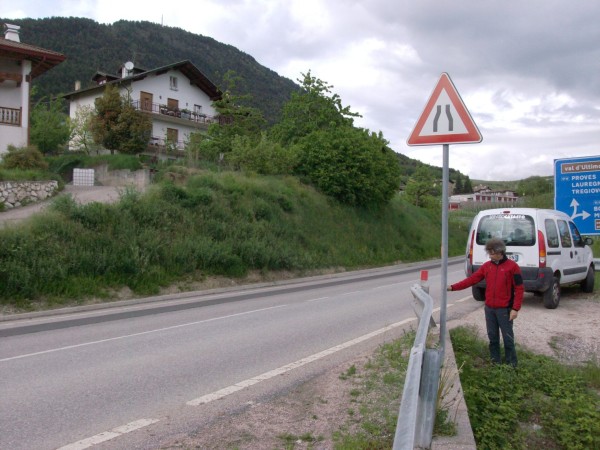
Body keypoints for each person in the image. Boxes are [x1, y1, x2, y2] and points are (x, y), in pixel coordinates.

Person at [447, 238, 524, 367]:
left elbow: (519, 288)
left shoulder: (513, 267)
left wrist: (515, 309)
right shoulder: (487, 266)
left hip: (504, 310)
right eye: (489, 253)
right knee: (492, 338)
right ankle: (495, 363)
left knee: (508, 339)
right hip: (490, 309)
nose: (490, 256)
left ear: (500, 252)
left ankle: (512, 365)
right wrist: (453, 287)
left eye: (492, 253)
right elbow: (472, 279)